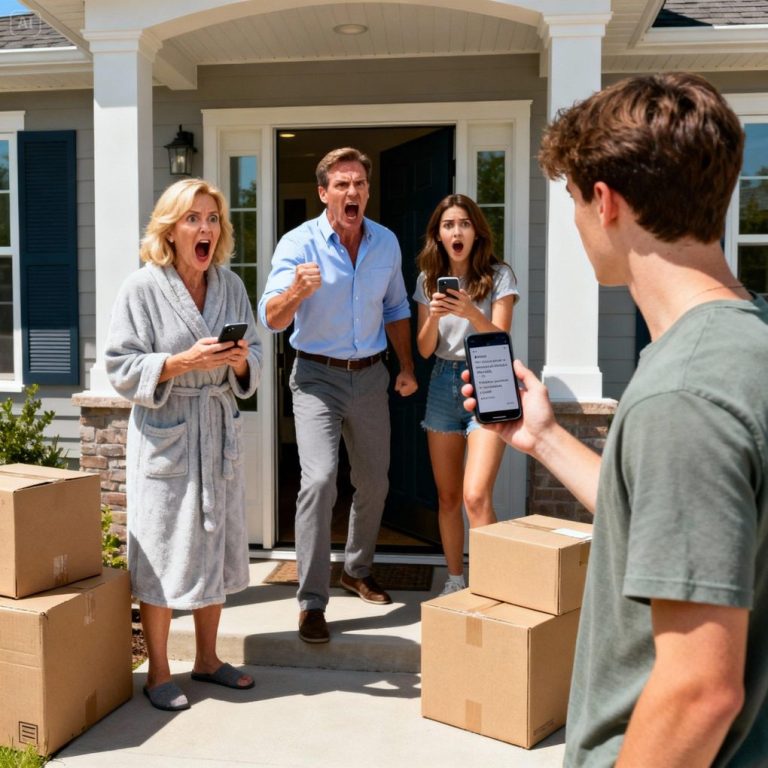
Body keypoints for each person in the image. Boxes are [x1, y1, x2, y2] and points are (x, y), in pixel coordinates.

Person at [463, 72, 768, 766]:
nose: (575, 222)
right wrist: (540, 436)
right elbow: (676, 525)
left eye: (571, 200)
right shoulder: (744, 344)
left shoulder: (683, 395)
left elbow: (700, 691)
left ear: (605, 203)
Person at [106, 178, 263, 711]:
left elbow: (257, 356)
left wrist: (240, 360)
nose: (205, 228)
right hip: (167, 432)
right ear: (170, 229)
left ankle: (208, 659)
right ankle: (157, 671)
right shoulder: (141, 289)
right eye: (193, 218)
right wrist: (180, 363)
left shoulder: (231, 285)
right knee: (161, 548)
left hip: (216, 427)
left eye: (213, 219)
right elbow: (120, 368)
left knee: (213, 544)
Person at [258, 147, 418, 644]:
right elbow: (271, 318)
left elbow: (395, 309)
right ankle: (311, 601)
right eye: (342, 185)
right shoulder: (297, 244)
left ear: (367, 192)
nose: (353, 192)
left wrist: (408, 366)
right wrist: (295, 294)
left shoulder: (386, 243)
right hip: (316, 378)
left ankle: (357, 568)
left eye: (360, 185)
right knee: (321, 480)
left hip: (371, 375)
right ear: (324, 192)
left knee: (374, 482)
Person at [414, 194, 518, 595]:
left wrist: (470, 311)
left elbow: (501, 338)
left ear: (476, 231)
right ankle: (455, 580)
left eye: (463, 224)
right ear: (438, 236)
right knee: (448, 496)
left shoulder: (499, 275)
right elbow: (424, 349)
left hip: (488, 377)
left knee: (476, 496)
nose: (456, 231)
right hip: (442, 382)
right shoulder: (427, 281)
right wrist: (436, 315)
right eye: (448, 225)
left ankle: (489, 587)